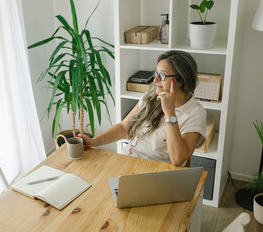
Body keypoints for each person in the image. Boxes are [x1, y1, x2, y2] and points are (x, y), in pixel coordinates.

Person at [78, 50, 206, 166]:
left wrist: (170, 113)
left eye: (162, 76)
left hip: (155, 172)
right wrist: (94, 142)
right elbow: (124, 127)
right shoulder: (152, 94)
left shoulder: (195, 113)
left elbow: (178, 159)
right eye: (156, 73)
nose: (155, 79)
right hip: (128, 160)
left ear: (180, 81)